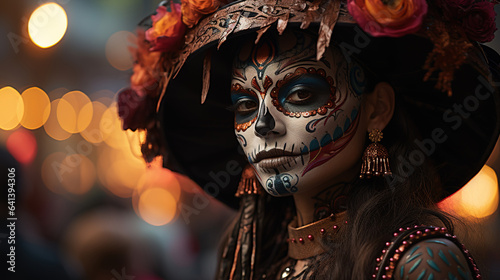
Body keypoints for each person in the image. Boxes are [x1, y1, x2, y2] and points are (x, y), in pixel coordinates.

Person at [118, 0, 500, 279]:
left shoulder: (418, 263)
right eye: (245, 105)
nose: (263, 125)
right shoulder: (257, 261)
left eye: (300, 95)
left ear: (377, 108)